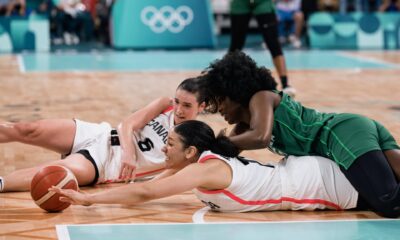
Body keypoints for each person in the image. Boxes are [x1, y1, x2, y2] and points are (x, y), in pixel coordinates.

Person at [197, 51, 400, 218]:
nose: (219, 108)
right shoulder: (244, 126)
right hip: (355, 129)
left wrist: (216, 142)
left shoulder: (261, 97)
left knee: (388, 203)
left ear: (235, 92)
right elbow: (225, 155)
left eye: (220, 99)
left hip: (340, 135)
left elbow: (260, 137)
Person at [51, 120, 364, 213]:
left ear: (191, 151)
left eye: (170, 144)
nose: (163, 147)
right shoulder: (194, 163)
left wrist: (88, 198)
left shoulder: (204, 169)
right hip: (306, 178)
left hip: (317, 183)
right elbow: (153, 180)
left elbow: (146, 192)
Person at [0, 78, 206, 192]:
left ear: (202, 107)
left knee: (55, 171)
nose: (178, 109)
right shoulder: (164, 105)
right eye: (177, 101)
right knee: (28, 129)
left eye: (187, 105)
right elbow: (127, 124)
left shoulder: (194, 143)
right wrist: (129, 153)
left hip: (106, 165)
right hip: (101, 134)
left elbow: (166, 176)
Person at [228, 0, 296, 97]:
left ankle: (285, 84)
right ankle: (227, 83)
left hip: (263, 2)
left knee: (273, 43)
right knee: (236, 44)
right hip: (240, 2)